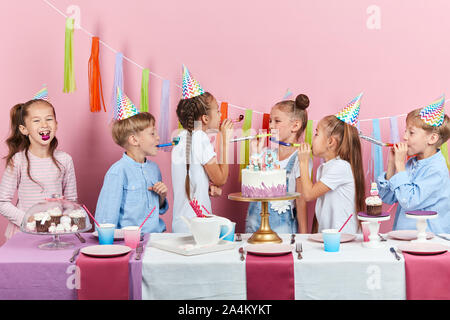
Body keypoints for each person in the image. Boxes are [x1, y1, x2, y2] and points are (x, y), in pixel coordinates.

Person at [0, 88, 77, 239]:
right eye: (36, 120)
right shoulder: (18, 160)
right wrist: (28, 219)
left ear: (56, 124)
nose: (44, 125)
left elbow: (71, 201)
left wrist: (63, 221)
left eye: (49, 119)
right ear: (24, 129)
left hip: (55, 233)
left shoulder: (65, 160)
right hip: (24, 233)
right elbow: (2, 201)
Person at [95, 87, 168, 233]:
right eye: (152, 133)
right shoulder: (118, 171)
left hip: (156, 237)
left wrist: (161, 196)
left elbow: (159, 210)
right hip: (128, 242)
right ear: (134, 140)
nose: (158, 137)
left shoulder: (154, 169)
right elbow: (106, 218)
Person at [171, 65, 233, 232]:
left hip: (180, 224)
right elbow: (220, 179)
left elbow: (190, 176)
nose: (221, 115)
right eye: (218, 111)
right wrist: (225, 141)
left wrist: (204, 188)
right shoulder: (200, 138)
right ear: (205, 118)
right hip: (198, 226)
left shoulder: (180, 138)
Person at [377, 95, 450, 233]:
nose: (404, 137)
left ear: (432, 138)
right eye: (405, 131)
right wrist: (392, 164)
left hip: (430, 241)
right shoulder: (411, 164)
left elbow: (408, 201)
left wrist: (400, 164)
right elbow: (388, 197)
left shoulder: (437, 170)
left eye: (411, 133)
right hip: (407, 238)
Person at [297, 93, 366, 234]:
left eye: (316, 134)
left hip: (344, 236)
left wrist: (303, 162)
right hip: (333, 235)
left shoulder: (341, 167)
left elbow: (309, 195)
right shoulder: (327, 166)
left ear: (330, 142)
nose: (312, 138)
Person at [245, 94, 311, 234]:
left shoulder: (301, 158)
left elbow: (300, 201)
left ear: (295, 125)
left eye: (277, 121)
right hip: (254, 224)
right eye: (270, 121)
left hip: (282, 229)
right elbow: (253, 186)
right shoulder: (264, 152)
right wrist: (255, 155)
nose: (270, 126)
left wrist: (304, 236)